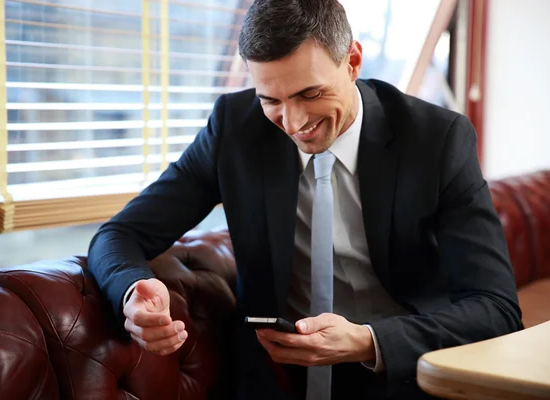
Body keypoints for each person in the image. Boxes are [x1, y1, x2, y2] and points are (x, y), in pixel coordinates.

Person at [87, 0, 523, 399]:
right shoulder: (235, 130)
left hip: (403, 375)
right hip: (274, 381)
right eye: (270, 100)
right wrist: (132, 294)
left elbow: (497, 309)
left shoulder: (436, 141)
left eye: (309, 94)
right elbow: (120, 234)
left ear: (352, 61)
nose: (293, 123)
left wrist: (368, 340)